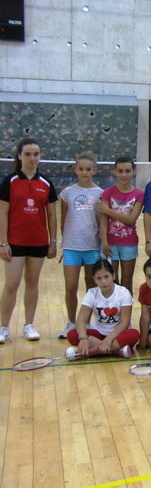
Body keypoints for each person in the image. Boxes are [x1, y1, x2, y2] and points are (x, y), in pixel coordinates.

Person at [0, 138, 58, 343]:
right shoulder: (10, 182)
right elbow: (3, 213)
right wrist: (3, 242)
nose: (32, 158)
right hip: (14, 242)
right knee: (11, 285)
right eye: (28, 154)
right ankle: (3, 327)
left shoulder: (46, 183)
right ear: (19, 156)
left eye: (36, 154)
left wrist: (53, 241)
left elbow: (52, 215)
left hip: (39, 242)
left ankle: (29, 325)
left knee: (32, 283)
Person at [59, 151, 103, 340]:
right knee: (70, 286)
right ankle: (71, 322)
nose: (84, 172)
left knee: (91, 286)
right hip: (71, 248)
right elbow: (63, 220)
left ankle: (89, 323)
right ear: (75, 169)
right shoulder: (67, 193)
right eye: (81, 169)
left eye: (88, 169)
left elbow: (101, 221)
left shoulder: (100, 193)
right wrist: (67, 240)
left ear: (94, 170)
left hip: (92, 247)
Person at [63, 259, 139, 360]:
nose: (103, 281)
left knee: (134, 334)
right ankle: (116, 351)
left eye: (106, 277)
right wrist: (84, 338)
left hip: (117, 336)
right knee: (72, 335)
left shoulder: (123, 293)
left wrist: (109, 339)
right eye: (99, 278)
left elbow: (125, 323)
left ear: (113, 275)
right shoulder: (92, 293)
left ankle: (88, 352)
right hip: (98, 335)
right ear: (94, 279)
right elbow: (81, 320)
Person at [99, 156, 144, 295]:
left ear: (133, 172)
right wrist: (104, 243)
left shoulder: (139, 194)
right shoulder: (107, 193)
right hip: (110, 243)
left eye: (127, 171)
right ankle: (112, 314)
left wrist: (109, 210)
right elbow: (103, 221)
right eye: (120, 171)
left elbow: (131, 220)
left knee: (126, 281)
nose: (124, 174)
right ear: (115, 172)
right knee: (112, 281)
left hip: (129, 243)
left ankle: (126, 314)